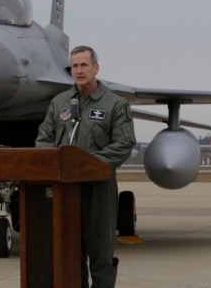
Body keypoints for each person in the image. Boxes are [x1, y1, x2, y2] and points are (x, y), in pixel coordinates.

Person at [35, 45, 136, 288]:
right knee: (69, 257)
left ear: (95, 68)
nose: (79, 71)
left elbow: (123, 144)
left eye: (84, 65)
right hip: (64, 192)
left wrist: (85, 166)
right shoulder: (60, 103)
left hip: (98, 191)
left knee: (101, 258)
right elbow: (43, 140)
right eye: (75, 66)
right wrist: (59, 165)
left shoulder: (115, 104)